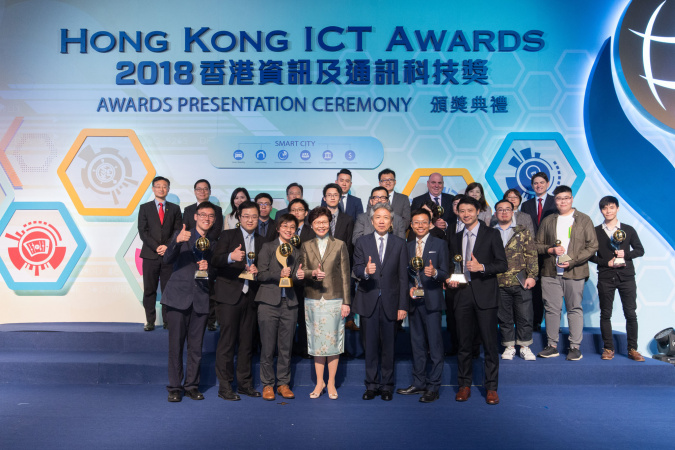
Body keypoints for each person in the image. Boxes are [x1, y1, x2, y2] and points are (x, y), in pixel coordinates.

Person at [446, 196, 507, 405]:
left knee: (490, 345)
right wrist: (450, 279)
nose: (465, 214)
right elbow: (450, 266)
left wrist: (481, 267)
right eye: (461, 211)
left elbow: (502, 264)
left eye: (469, 210)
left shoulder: (492, 234)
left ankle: (491, 388)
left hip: (486, 296)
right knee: (463, 344)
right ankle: (464, 385)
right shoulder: (454, 237)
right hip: (462, 295)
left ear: (478, 211)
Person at [161, 202, 217, 402]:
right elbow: (167, 259)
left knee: (196, 347)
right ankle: (175, 387)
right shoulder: (182, 234)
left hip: (200, 299)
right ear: (195, 216)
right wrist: (176, 241)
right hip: (178, 299)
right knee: (175, 346)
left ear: (214, 220)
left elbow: (214, 272)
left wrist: (207, 268)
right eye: (203, 215)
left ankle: (192, 385)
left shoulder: (214, 243)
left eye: (210, 216)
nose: (206, 219)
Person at [352, 202, 408, 401]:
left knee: (389, 347)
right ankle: (371, 385)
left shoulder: (400, 244)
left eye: (386, 217)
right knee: (370, 346)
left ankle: (386, 386)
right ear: (372, 220)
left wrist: (403, 306)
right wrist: (366, 271)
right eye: (378, 217)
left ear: (391, 221)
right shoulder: (362, 242)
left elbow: (403, 277)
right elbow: (356, 269)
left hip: (392, 304)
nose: (382, 221)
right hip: (369, 301)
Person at [535, 185, 598, 361]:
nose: (563, 201)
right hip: (550, 272)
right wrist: (551, 249)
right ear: (554, 200)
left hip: (575, 271)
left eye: (566, 198)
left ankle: (574, 347)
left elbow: (592, 246)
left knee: (574, 309)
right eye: (559, 198)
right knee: (551, 310)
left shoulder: (584, 220)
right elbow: (537, 245)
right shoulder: (548, 220)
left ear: (572, 199)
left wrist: (574, 260)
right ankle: (552, 345)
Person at [211, 201, 264, 401]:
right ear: (239, 218)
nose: (250, 220)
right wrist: (231, 257)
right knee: (226, 344)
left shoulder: (262, 240)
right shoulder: (227, 236)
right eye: (246, 216)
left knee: (246, 344)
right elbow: (215, 260)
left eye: (254, 216)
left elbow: (263, 265)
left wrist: (258, 270)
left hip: (250, 297)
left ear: (258, 218)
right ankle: (225, 387)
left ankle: (245, 385)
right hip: (228, 298)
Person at [397, 208, 449, 403]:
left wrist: (435, 273)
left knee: (434, 345)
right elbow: (405, 274)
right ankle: (418, 383)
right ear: (411, 225)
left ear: (430, 224)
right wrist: (410, 288)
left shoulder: (440, 244)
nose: (420, 225)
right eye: (416, 222)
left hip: (432, 301)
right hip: (414, 301)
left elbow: (445, 272)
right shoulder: (407, 246)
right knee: (417, 345)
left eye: (423, 222)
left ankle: (433, 386)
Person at [299, 207, 351, 400]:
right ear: (311, 225)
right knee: (316, 343)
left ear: (330, 223)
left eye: (324, 222)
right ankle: (319, 382)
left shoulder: (339, 245)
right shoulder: (305, 245)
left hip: (334, 300)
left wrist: (347, 302)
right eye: (317, 223)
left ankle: (331, 382)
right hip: (312, 300)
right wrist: (311, 273)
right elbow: (301, 272)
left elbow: (346, 276)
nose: (321, 225)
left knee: (333, 344)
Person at [590, 196, 645, 362]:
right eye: (605, 208)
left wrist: (625, 254)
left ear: (618, 208)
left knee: (630, 313)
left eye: (611, 207)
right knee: (605, 314)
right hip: (606, 276)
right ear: (601, 210)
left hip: (626, 277)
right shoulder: (595, 231)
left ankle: (632, 349)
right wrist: (605, 262)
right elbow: (589, 255)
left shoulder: (628, 229)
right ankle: (608, 348)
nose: (608, 211)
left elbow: (640, 250)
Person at [255, 214, 304, 401]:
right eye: (285, 226)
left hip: (289, 303)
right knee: (268, 347)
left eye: (292, 227)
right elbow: (261, 274)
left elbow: (296, 280)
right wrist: (279, 274)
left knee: (286, 347)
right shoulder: (268, 247)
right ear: (278, 228)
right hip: (268, 302)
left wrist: (299, 277)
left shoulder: (296, 251)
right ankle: (267, 384)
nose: (289, 230)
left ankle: (283, 383)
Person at [493, 199, 538, 361]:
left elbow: (531, 255)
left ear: (513, 212)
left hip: (521, 281)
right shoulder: (490, 232)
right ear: (495, 213)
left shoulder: (523, 231)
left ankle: (525, 346)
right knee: (504, 317)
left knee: (525, 315)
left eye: (507, 209)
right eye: (500, 210)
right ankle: (509, 346)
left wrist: (532, 276)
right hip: (499, 281)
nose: (504, 212)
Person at [138, 176, 183, 331]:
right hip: (150, 255)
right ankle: (150, 321)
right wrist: (157, 247)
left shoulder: (175, 209)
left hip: (169, 256)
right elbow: (143, 231)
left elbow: (177, 231)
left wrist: (167, 247)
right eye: (158, 186)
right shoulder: (144, 208)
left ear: (168, 189)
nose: (161, 189)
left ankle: (167, 321)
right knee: (149, 289)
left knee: (167, 289)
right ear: (153, 188)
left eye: (164, 186)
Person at [182, 179, 224, 332]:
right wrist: (195, 244)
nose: (202, 191)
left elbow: (216, 229)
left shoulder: (217, 210)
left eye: (205, 189)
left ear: (210, 191)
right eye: (199, 189)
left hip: (210, 250)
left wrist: (205, 244)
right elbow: (185, 229)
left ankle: (211, 320)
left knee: (209, 286)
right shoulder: (188, 210)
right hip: (190, 252)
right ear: (194, 192)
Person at [521, 172, 557, 331]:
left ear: (547, 184)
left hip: (551, 252)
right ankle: (535, 322)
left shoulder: (555, 202)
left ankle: (554, 324)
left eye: (542, 182)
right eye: (535, 183)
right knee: (534, 290)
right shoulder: (526, 205)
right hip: (531, 254)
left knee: (552, 291)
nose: (539, 185)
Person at [288, 198, 315, 358]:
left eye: (300, 210)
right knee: (289, 317)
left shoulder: (311, 231)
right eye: (293, 209)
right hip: (288, 280)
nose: (296, 212)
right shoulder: (284, 230)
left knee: (306, 317)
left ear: (306, 213)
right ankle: (289, 349)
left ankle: (306, 348)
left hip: (307, 281)